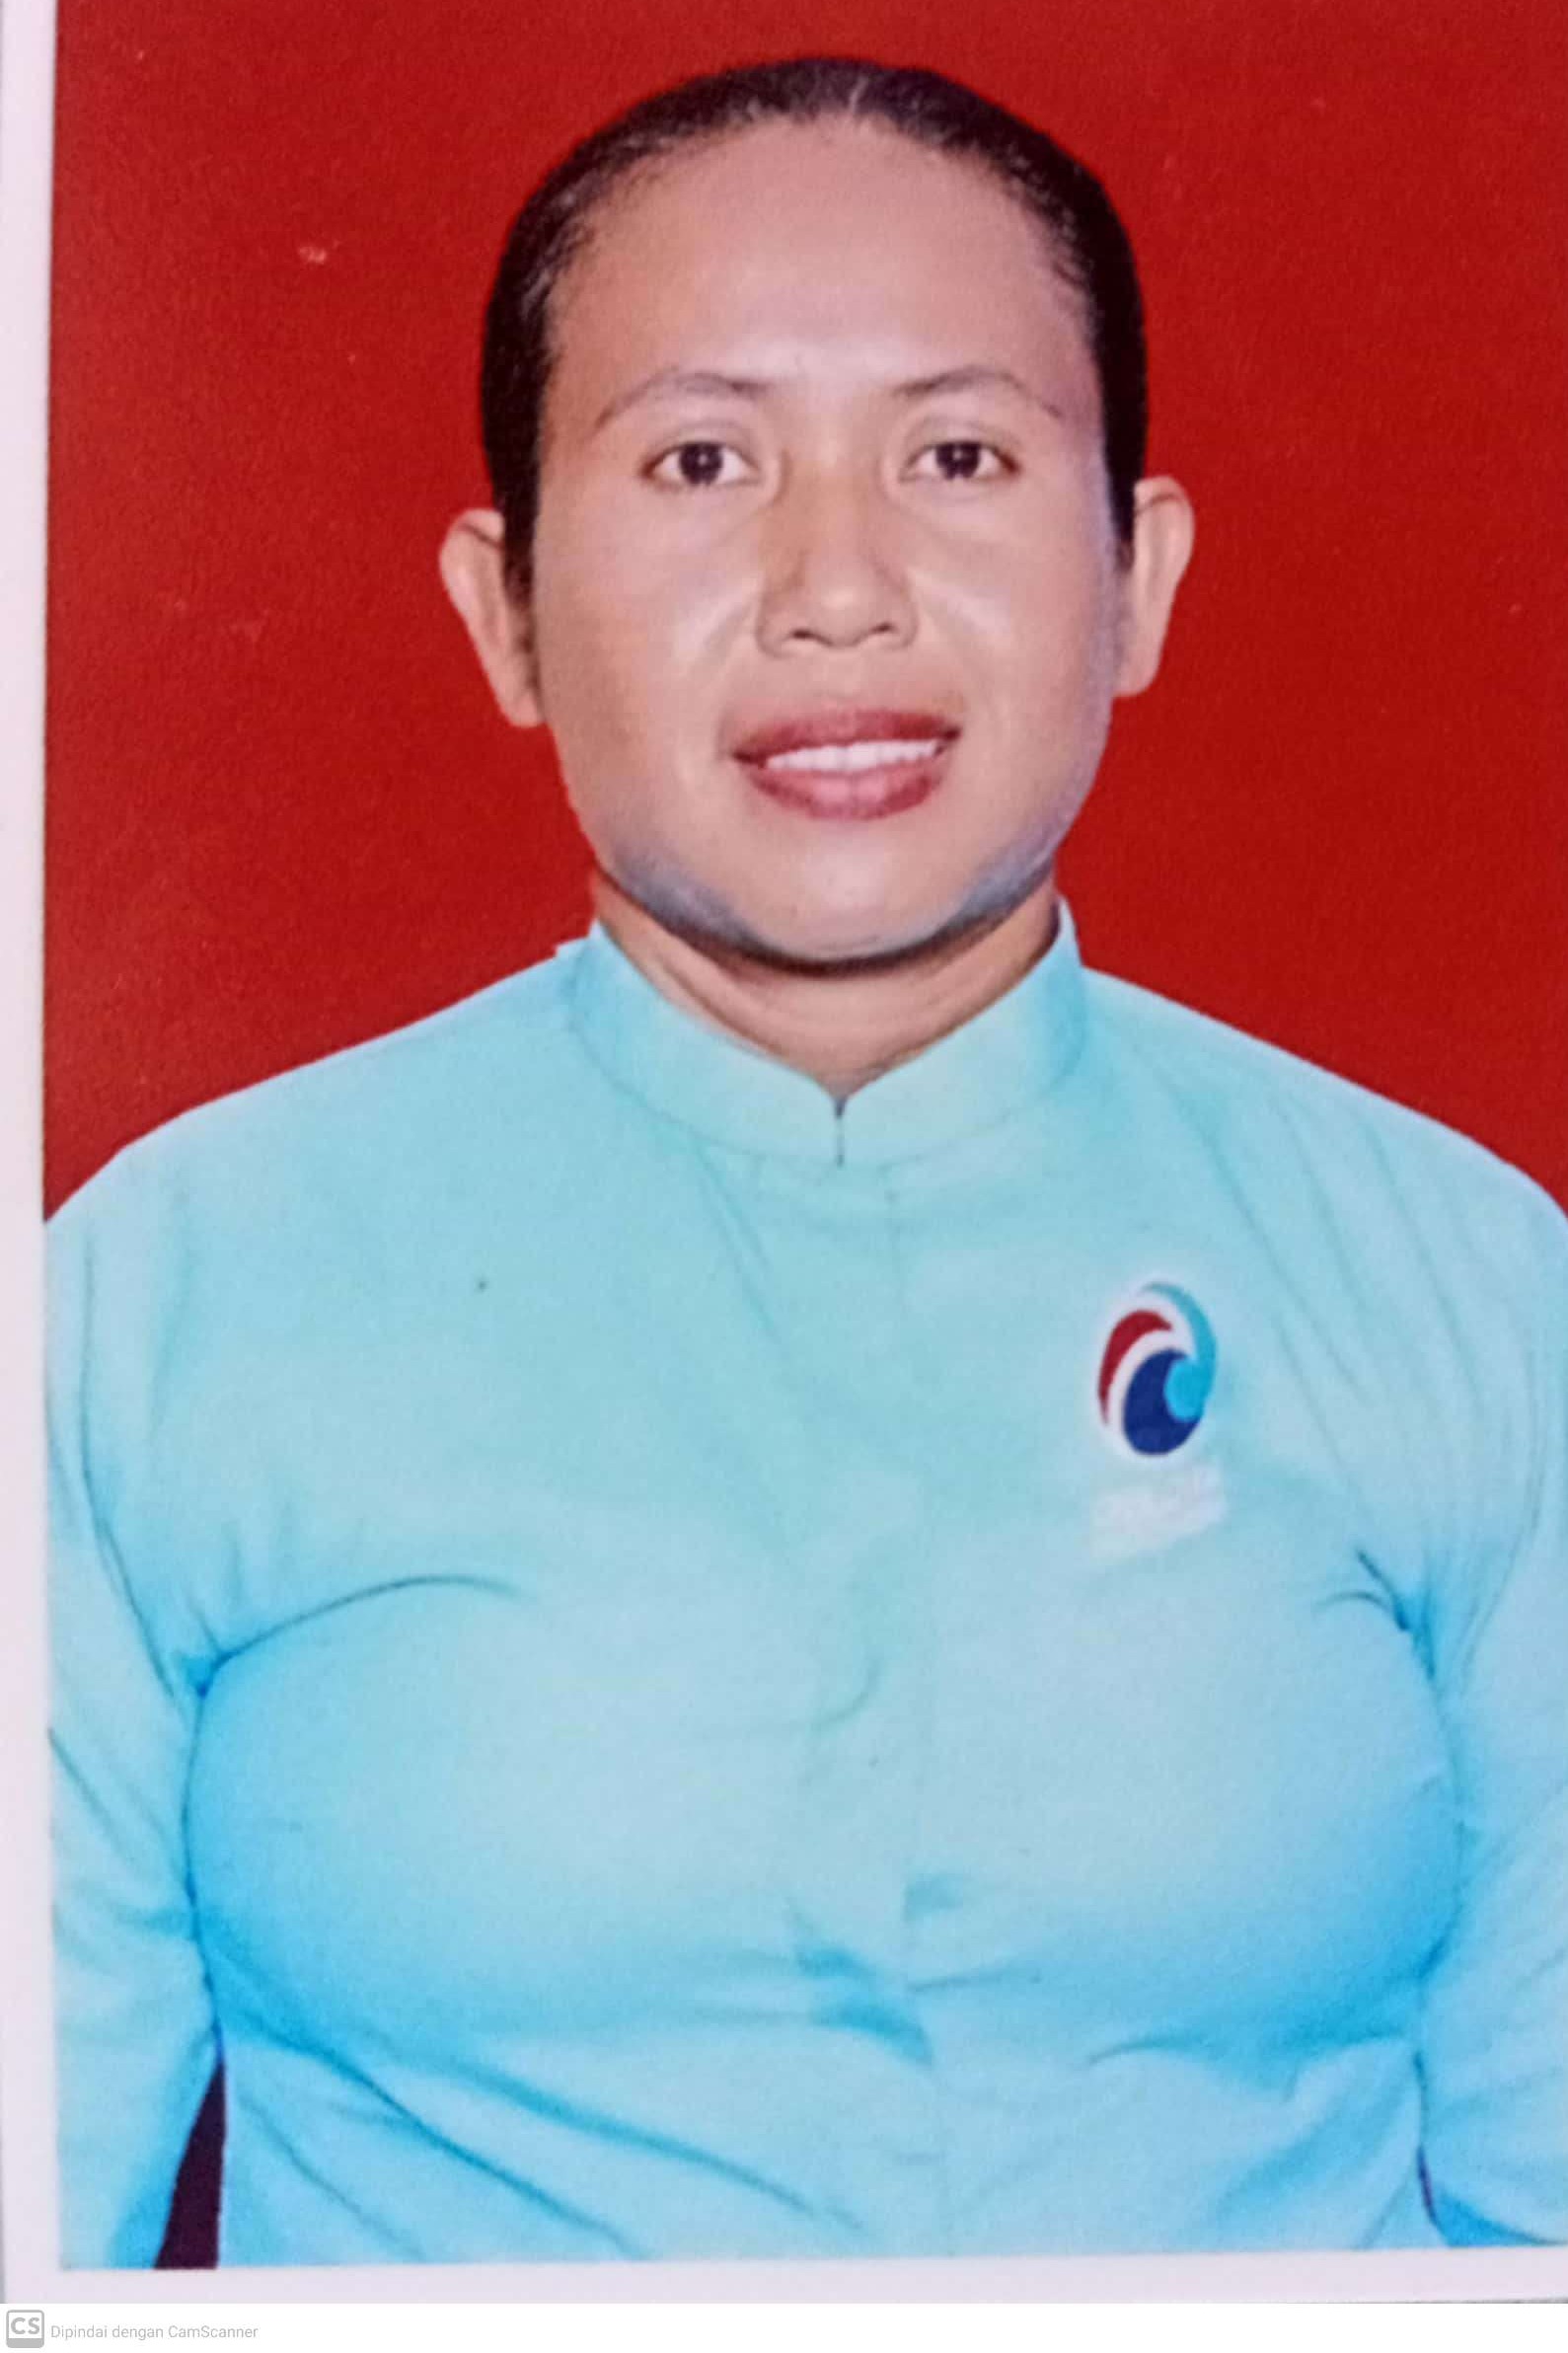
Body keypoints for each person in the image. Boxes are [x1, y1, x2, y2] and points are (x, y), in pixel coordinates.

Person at [48, 55, 1566, 2269]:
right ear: (504, 609)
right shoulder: (159, 1293)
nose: (834, 589)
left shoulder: (1467, 1279)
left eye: (958, 456)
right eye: (700, 460)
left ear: (1135, 578)